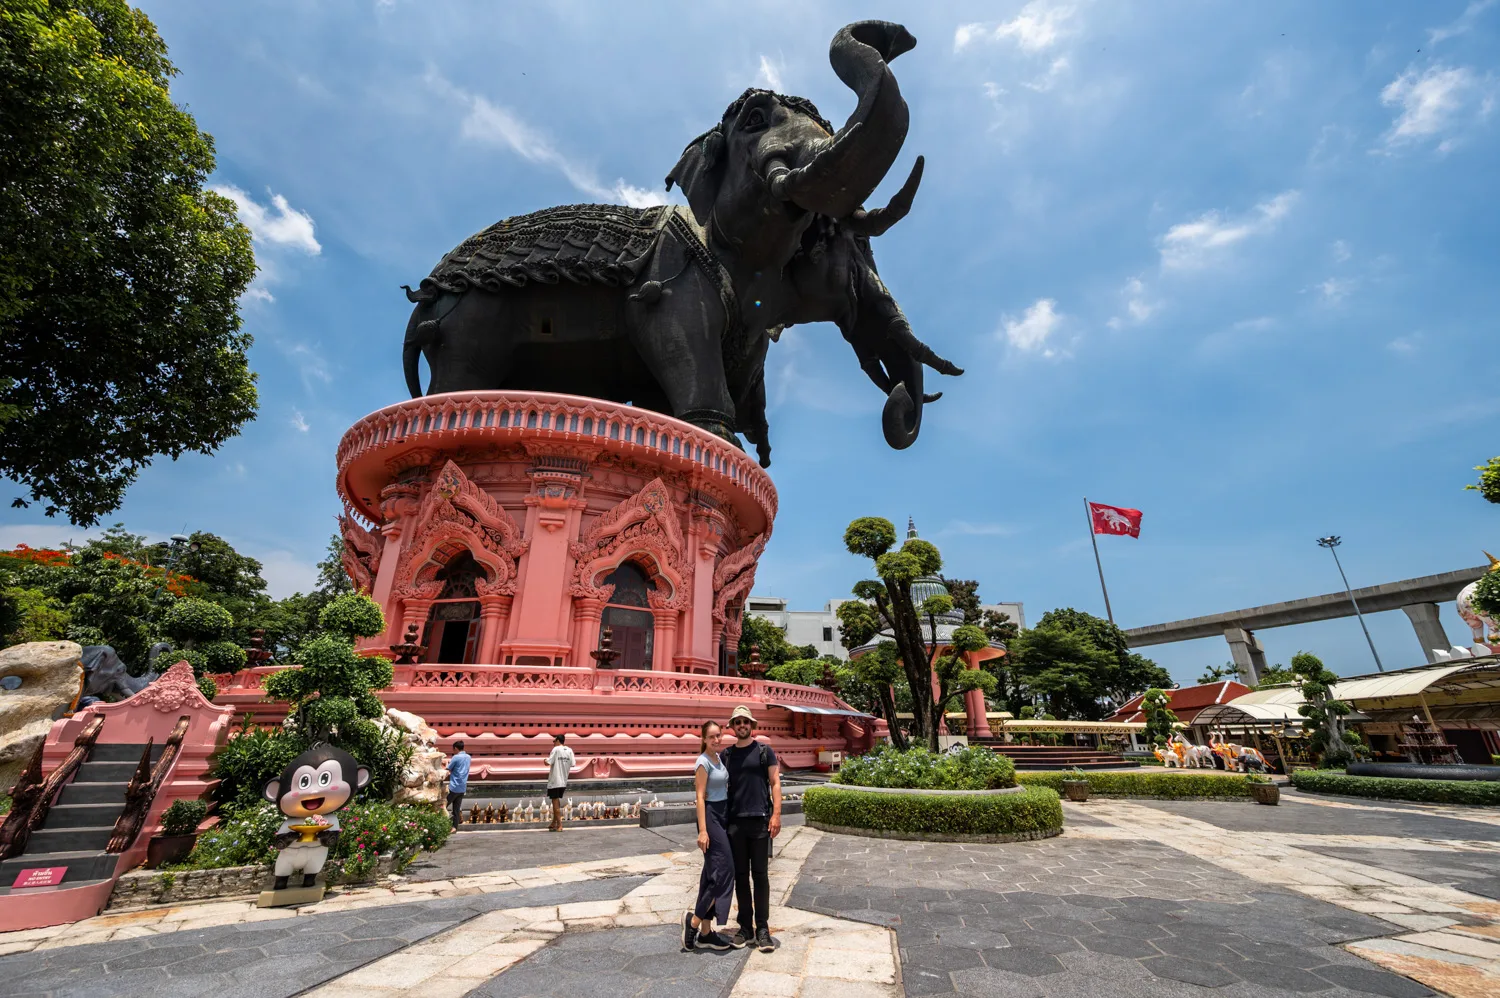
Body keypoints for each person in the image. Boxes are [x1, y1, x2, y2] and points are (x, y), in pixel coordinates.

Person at [723, 704, 780, 953]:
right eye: (738, 722)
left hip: (759, 821)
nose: (742, 726)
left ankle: (763, 928)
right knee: (741, 878)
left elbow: (775, 783)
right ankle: (745, 927)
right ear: (733, 727)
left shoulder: (764, 751)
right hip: (735, 823)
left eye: (746, 722)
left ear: (752, 725)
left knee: (761, 877)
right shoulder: (726, 755)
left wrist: (776, 815)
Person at [683, 720, 735, 951]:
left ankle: (705, 932)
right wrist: (703, 830)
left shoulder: (719, 759)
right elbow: (700, 797)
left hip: (723, 815)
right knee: (724, 871)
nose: (717, 739)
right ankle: (694, 921)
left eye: (719, 735)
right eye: (712, 736)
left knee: (711, 873)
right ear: (703, 739)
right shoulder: (703, 762)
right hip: (711, 817)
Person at [546, 734, 575, 831]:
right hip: (563, 780)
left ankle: (559, 825)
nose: (553, 743)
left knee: (555, 802)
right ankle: (554, 822)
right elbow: (573, 764)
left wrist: (544, 760)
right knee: (556, 801)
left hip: (555, 780)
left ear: (558, 740)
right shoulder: (570, 750)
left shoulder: (556, 749)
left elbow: (548, 762)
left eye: (554, 741)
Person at [447, 740, 471, 830]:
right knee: (456, 809)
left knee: (442, 806)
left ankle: (441, 824)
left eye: (453, 749)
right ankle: (454, 827)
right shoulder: (468, 757)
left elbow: (448, 768)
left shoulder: (456, 757)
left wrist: (446, 764)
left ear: (456, 748)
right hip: (462, 788)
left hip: (453, 787)